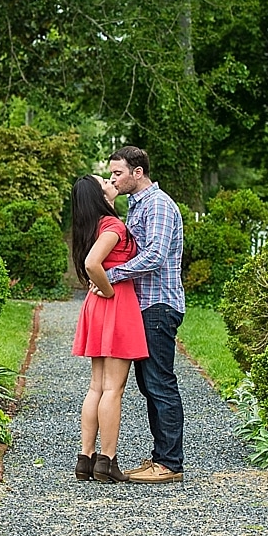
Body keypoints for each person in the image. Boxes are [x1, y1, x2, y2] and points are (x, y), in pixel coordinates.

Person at [105, 145, 186, 484]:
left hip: (158, 307)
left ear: (137, 173)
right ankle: (160, 458)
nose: (113, 178)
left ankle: (169, 463)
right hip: (144, 308)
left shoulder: (159, 206)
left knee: (160, 383)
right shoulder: (138, 206)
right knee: (149, 384)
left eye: (117, 173)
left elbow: (153, 256)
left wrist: (112, 275)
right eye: (111, 173)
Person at [70, 175, 148, 484]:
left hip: (96, 305)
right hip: (115, 303)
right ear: (98, 195)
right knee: (113, 389)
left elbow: (91, 262)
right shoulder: (113, 226)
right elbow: (93, 264)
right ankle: (108, 459)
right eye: (104, 180)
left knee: (96, 387)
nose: (111, 180)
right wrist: (111, 289)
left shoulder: (91, 226)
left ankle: (85, 458)